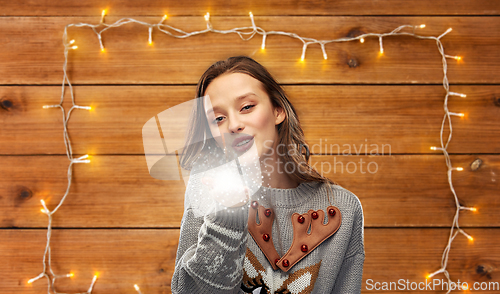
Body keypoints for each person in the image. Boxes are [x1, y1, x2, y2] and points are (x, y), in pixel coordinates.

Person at [171, 56, 365, 294]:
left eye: (246, 107)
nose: (233, 125)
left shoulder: (343, 206)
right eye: (218, 118)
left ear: (278, 111)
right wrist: (226, 221)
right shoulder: (207, 195)